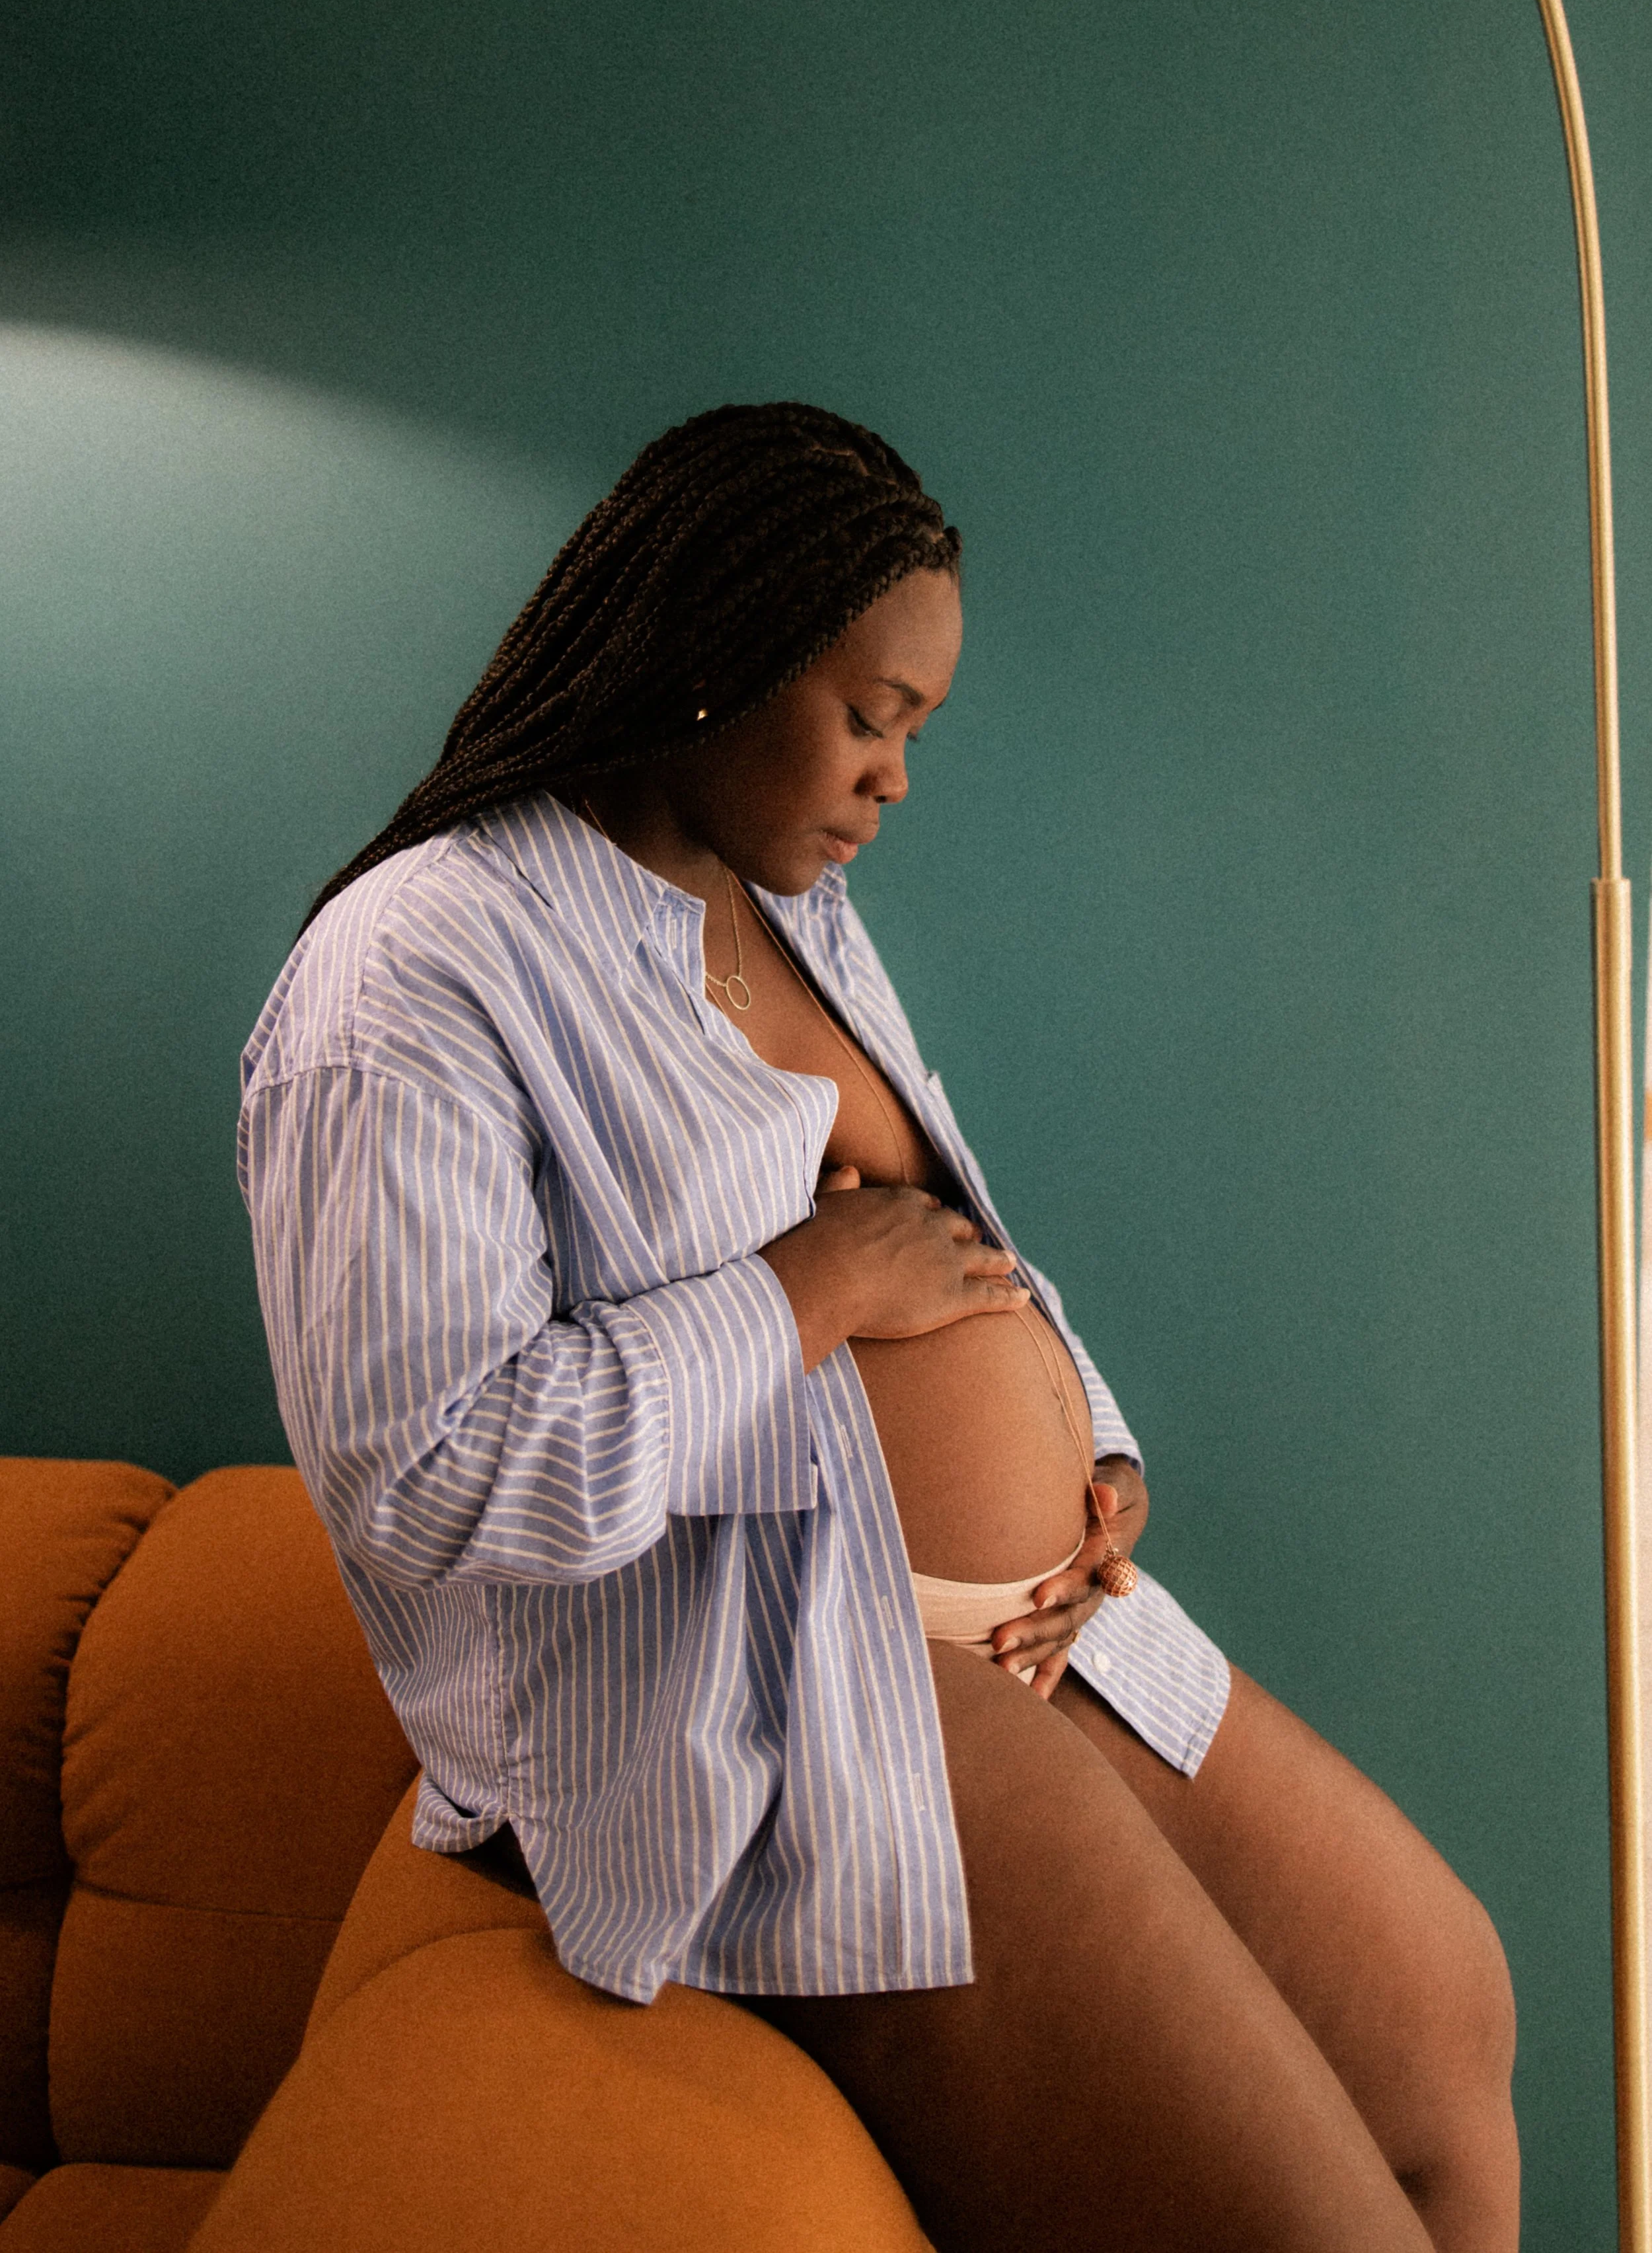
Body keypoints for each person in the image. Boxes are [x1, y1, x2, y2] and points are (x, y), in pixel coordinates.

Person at [240, 401, 1517, 2252]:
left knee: (1447, 2012)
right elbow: (429, 1481)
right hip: (764, 1686)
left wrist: (1087, 1433)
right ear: (707, 659)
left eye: (914, 723)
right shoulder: (411, 975)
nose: (895, 777)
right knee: (1315, 2219)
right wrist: (800, 1294)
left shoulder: (789, 907)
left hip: (1034, 1623)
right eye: (868, 715)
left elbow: (946, 1220)